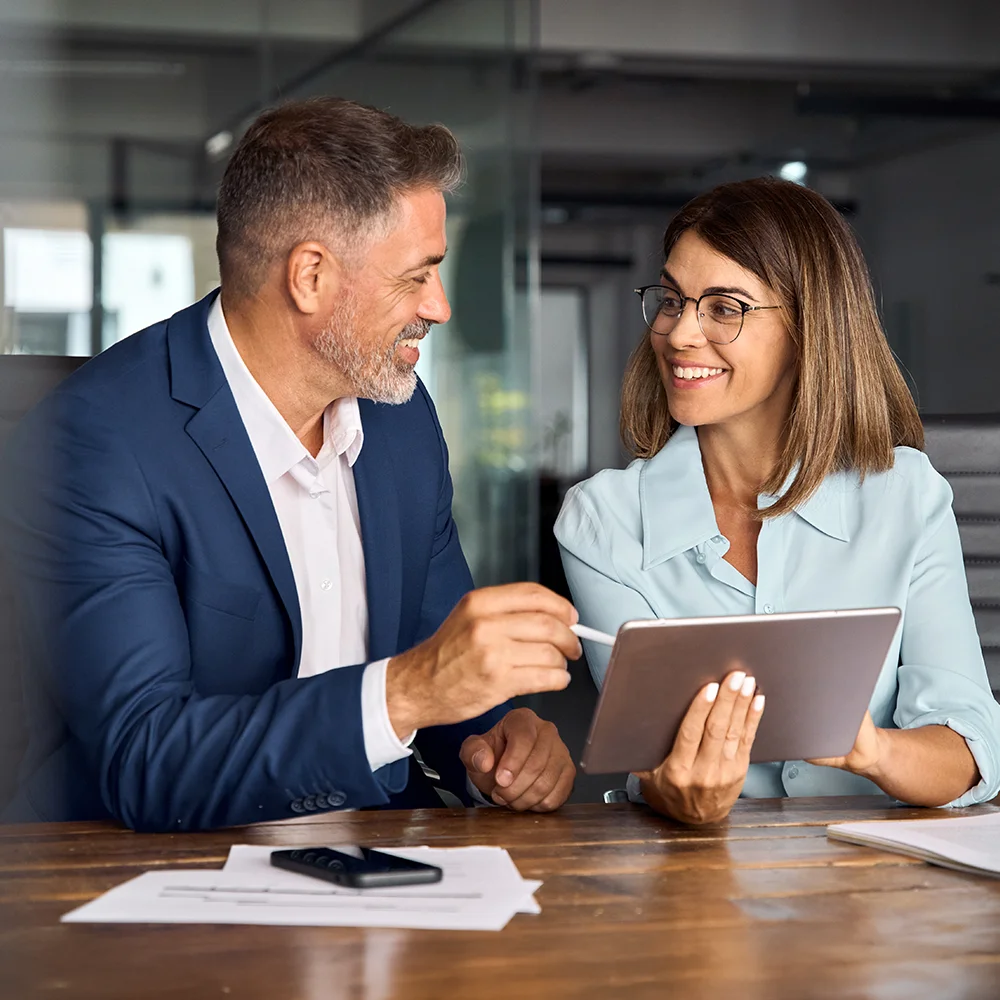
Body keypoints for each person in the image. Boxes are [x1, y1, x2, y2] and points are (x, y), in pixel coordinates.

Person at [0, 97, 581, 831]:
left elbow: (436, 662)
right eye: (416, 275)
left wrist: (499, 740)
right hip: (161, 880)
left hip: (387, 865)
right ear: (309, 276)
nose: (440, 306)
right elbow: (143, 758)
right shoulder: (93, 443)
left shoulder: (401, 418)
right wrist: (404, 695)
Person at [555, 176, 1000, 825]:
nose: (679, 334)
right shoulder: (604, 522)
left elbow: (967, 747)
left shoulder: (907, 496)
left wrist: (872, 752)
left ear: (809, 325)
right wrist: (683, 794)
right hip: (693, 882)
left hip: (874, 887)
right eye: (673, 300)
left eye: (725, 307)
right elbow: (651, 760)